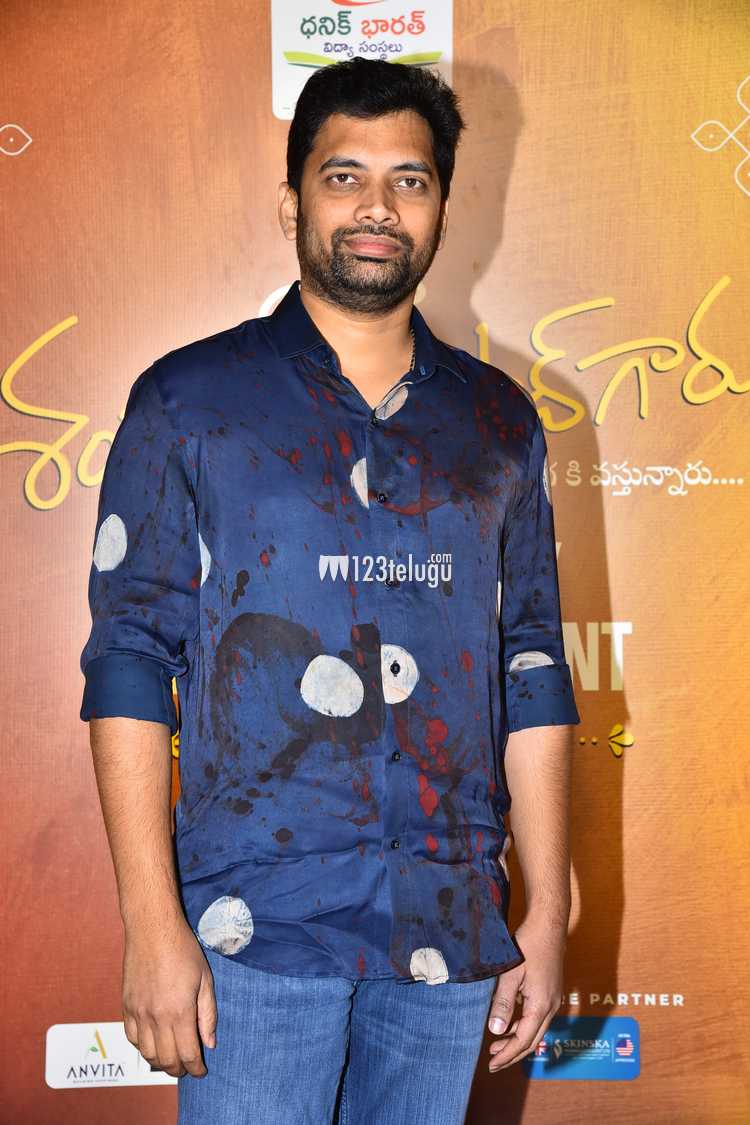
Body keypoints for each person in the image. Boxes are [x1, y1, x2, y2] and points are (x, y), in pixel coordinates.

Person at [79, 56, 580, 1125]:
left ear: (443, 207)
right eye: (344, 175)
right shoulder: (188, 400)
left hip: (449, 926)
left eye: (410, 180)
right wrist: (151, 923)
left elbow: (531, 662)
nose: (377, 207)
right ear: (293, 200)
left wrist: (547, 907)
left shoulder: (500, 422)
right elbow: (129, 660)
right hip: (252, 933)